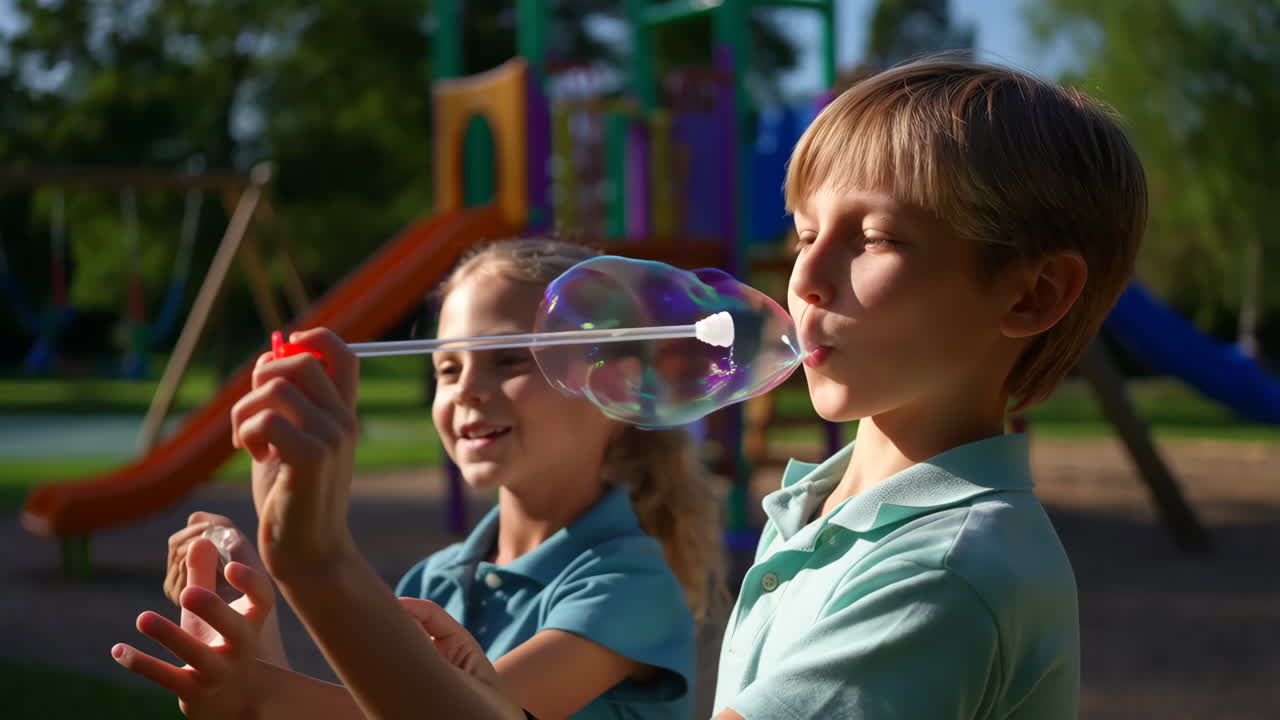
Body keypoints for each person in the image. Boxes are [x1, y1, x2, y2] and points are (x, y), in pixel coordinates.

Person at [114, 238, 725, 720]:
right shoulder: (433, 581)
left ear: (612, 388)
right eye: (447, 368)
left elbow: (445, 713)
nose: (466, 391)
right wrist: (260, 608)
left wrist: (255, 690)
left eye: (508, 359)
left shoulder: (632, 584)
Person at [708, 58, 1146, 718]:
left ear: (1034, 292)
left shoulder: (943, 571)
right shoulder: (816, 504)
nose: (806, 278)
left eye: (874, 237)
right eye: (805, 233)